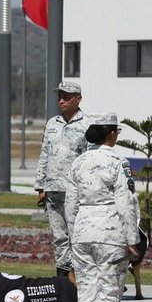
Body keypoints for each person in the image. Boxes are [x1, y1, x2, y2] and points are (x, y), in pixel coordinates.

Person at [65, 112, 140, 302]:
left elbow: (70, 204)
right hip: (110, 233)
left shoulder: (78, 163)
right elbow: (126, 202)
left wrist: (74, 234)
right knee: (108, 291)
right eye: (116, 131)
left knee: (85, 290)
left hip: (82, 232)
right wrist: (133, 239)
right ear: (111, 134)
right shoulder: (119, 162)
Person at [35, 80, 90, 277]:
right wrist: (40, 186)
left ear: (78, 99)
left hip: (75, 192)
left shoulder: (87, 125)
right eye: (60, 96)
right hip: (53, 189)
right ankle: (62, 279)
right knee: (59, 237)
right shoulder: (52, 124)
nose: (61, 100)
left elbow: (89, 159)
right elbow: (45, 154)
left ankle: (80, 277)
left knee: (77, 236)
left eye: (66, 97)